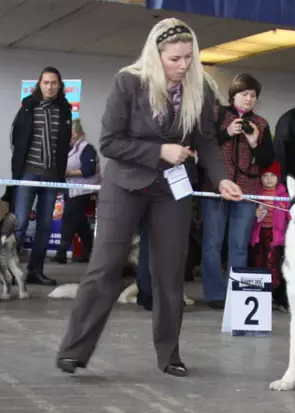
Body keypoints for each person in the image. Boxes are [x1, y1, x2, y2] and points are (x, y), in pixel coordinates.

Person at [55, 18, 241, 378]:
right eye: (175, 59)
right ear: (156, 56)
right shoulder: (128, 82)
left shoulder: (199, 88)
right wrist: (160, 151)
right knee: (105, 267)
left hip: (172, 189)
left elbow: (206, 141)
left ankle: (169, 354)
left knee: (170, 273)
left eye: (188, 57)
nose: (183, 65)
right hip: (125, 184)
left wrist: (221, 180)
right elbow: (110, 142)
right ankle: (74, 350)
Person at [201, 72, 274, 310]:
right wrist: (227, 133)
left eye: (253, 95)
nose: (249, 99)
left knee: (239, 244)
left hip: (248, 190)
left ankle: (236, 293)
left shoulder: (261, 124)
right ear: (234, 95)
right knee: (212, 243)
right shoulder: (216, 115)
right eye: (244, 94)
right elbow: (204, 145)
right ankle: (214, 294)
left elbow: (267, 160)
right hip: (215, 188)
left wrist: (254, 142)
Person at [10, 67, 73, 286]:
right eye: (46, 82)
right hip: (28, 172)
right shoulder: (28, 106)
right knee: (19, 222)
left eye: (53, 83)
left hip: (52, 175)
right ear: (39, 84)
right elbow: (16, 138)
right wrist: (16, 171)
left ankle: (35, 270)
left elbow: (65, 144)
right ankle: (10, 269)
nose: (49, 86)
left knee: (45, 225)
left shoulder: (65, 109)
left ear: (59, 85)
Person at [54, 119, 100, 264]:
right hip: (73, 189)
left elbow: (89, 170)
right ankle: (91, 250)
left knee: (68, 218)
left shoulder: (87, 148)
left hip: (86, 190)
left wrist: (69, 173)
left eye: (73, 135)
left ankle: (61, 253)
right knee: (79, 222)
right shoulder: (68, 147)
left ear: (80, 134)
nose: (70, 138)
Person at [248, 162, 290, 310]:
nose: (269, 179)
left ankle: (276, 296)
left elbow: (290, 217)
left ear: (278, 177)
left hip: (276, 238)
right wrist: (256, 214)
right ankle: (262, 296)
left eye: (272, 175)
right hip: (260, 236)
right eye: (265, 176)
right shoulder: (256, 193)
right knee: (260, 264)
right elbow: (250, 216)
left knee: (275, 266)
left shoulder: (284, 195)